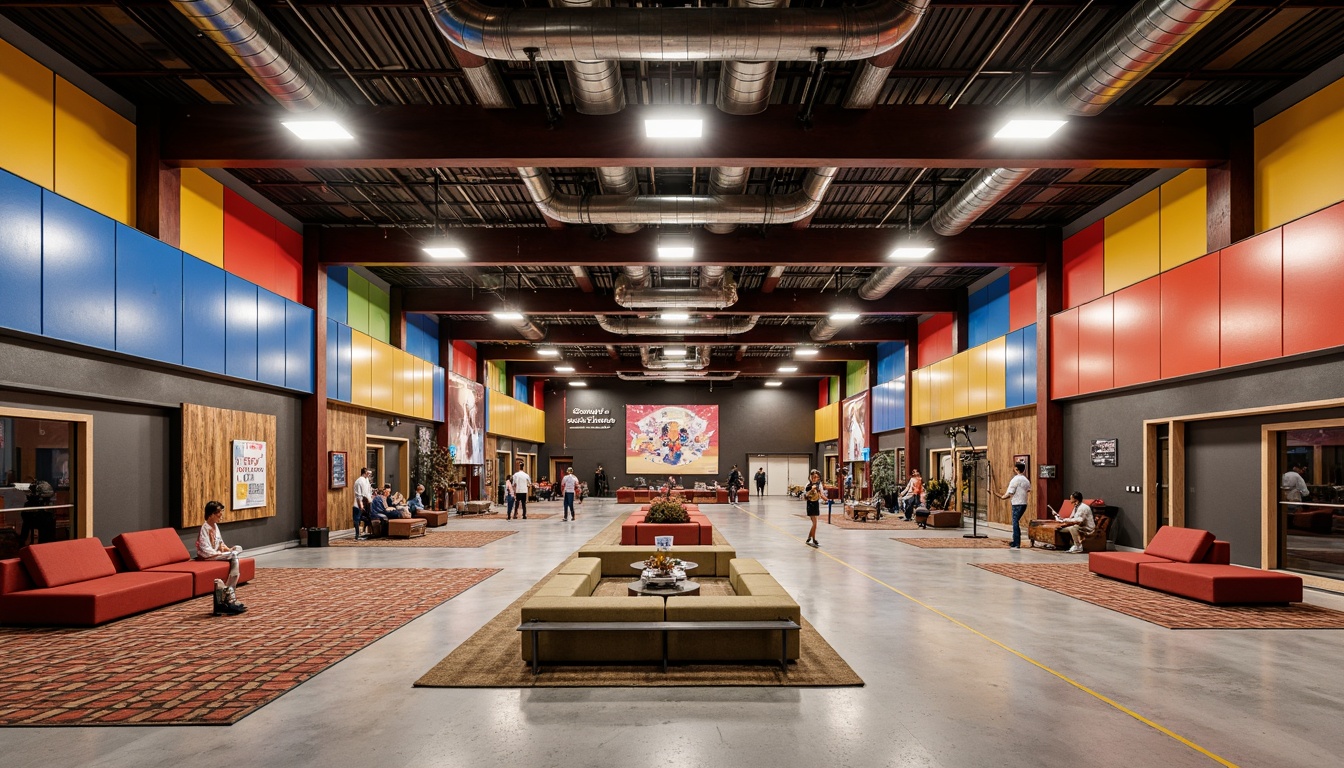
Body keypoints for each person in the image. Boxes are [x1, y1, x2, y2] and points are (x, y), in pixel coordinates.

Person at [196, 500, 246, 616]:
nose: (221, 515)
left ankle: (228, 593)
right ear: (211, 514)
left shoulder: (215, 526)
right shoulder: (205, 528)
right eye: (218, 512)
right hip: (208, 555)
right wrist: (222, 553)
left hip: (217, 553)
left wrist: (228, 549)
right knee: (233, 556)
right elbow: (205, 549)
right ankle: (229, 594)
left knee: (237, 550)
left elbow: (220, 544)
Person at [1000, 463, 1031, 549]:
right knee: (1016, 521)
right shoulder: (1026, 480)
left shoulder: (1015, 480)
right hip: (1024, 503)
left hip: (1017, 503)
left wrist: (1003, 497)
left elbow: (1011, 492)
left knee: (1015, 522)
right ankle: (1016, 541)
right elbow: (1028, 489)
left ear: (1016, 469)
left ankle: (1016, 542)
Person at [352, 467, 374, 539]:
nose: (369, 475)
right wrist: (360, 505)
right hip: (359, 502)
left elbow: (368, 490)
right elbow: (358, 495)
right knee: (357, 518)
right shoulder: (359, 481)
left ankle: (367, 532)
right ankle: (357, 534)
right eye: (368, 473)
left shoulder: (366, 480)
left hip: (367, 501)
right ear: (364, 473)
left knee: (368, 517)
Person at [804, 469, 823, 548]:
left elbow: (821, 494)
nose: (815, 478)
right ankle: (814, 539)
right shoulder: (808, 485)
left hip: (816, 504)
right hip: (810, 504)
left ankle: (809, 537)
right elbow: (805, 496)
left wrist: (827, 499)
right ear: (811, 477)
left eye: (817, 477)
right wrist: (811, 490)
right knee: (815, 523)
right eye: (814, 477)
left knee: (814, 523)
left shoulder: (819, 485)